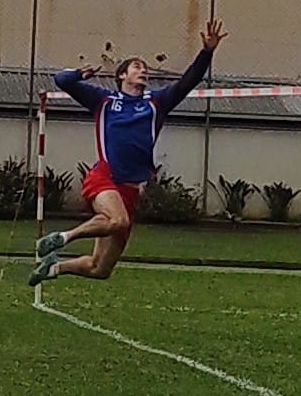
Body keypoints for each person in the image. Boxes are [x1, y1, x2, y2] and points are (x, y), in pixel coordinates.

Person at [29, 20, 228, 286]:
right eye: (137, 67)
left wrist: (207, 52)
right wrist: (81, 73)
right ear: (122, 75)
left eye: (145, 68)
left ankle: (54, 268)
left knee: (100, 268)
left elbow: (187, 82)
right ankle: (62, 238)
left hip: (131, 189)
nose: (143, 70)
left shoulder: (157, 102)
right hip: (106, 177)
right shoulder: (104, 101)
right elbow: (61, 80)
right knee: (117, 220)